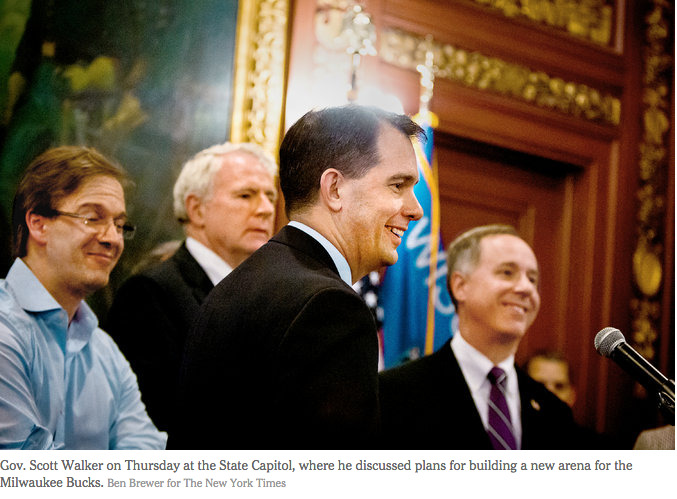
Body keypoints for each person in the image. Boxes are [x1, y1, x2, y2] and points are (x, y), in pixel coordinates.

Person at [169, 104, 425, 449]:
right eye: (398, 185)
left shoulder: (248, 279)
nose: (416, 209)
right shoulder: (329, 307)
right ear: (334, 189)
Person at [0, 145, 165, 449]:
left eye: (119, 225)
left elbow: (147, 455)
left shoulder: (104, 349)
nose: (112, 239)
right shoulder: (4, 330)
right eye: (92, 218)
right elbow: (24, 475)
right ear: (38, 223)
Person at [105, 142, 277, 432]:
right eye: (246, 195)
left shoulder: (271, 296)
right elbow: (157, 419)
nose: (265, 209)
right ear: (196, 209)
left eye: (270, 196)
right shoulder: (150, 295)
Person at [379, 224, 583, 449]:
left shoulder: (554, 410)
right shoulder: (394, 394)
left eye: (533, 280)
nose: (526, 288)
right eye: (507, 272)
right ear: (460, 286)